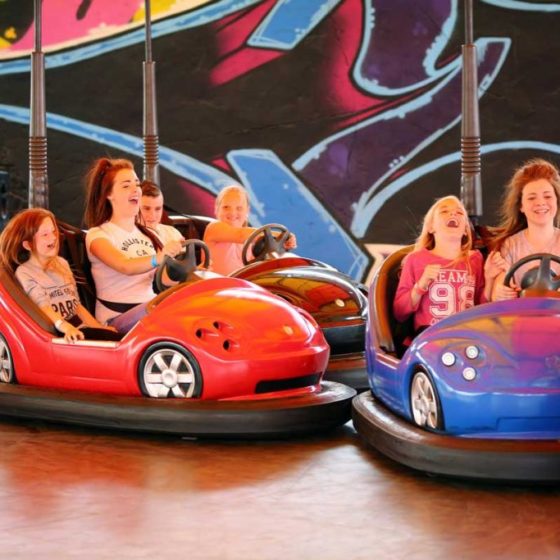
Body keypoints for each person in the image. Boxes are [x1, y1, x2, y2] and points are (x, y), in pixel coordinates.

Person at [83, 158, 184, 333]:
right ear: (109, 194)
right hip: (117, 319)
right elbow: (125, 266)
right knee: (167, 314)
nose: (135, 189)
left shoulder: (148, 234)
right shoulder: (98, 235)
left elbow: (165, 280)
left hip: (150, 308)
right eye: (126, 185)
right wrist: (159, 257)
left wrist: (186, 268)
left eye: (136, 183)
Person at [0, 208, 121, 343]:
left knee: (119, 339)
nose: (53, 238)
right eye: (45, 234)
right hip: (60, 334)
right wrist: (66, 327)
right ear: (28, 245)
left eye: (54, 231)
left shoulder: (62, 263)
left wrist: (100, 328)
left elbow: (76, 306)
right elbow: (43, 307)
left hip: (79, 329)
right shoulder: (25, 272)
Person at [393, 195, 502, 333]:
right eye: (444, 211)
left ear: (465, 230)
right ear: (431, 227)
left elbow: (481, 308)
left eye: (460, 212)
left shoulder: (475, 259)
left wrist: (490, 277)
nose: (453, 213)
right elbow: (400, 313)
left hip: (468, 336)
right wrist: (421, 285)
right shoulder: (415, 259)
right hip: (430, 337)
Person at [490, 158, 560, 300]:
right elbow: (500, 285)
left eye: (547, 196)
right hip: (522, 317)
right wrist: (500, 291)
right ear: (521, 206)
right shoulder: (511, 245)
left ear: (557, 201)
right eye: (531, 198)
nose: (540, 202)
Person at [202, 184, 297, 275]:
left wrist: (283, 242)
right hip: (216, 288)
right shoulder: (214, 228)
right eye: (226, 207)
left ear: (247, 211)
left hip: (242, 288)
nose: (232, 212)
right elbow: (240, 235)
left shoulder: (251, 241)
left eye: (239, 208)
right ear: (217, 209)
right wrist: (279, 235)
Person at [139, 180, 185, 245]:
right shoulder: (128, 237)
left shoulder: (173, 233)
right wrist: (164, 253)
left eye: (158, 209)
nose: (152, 215)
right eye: (146, 209)